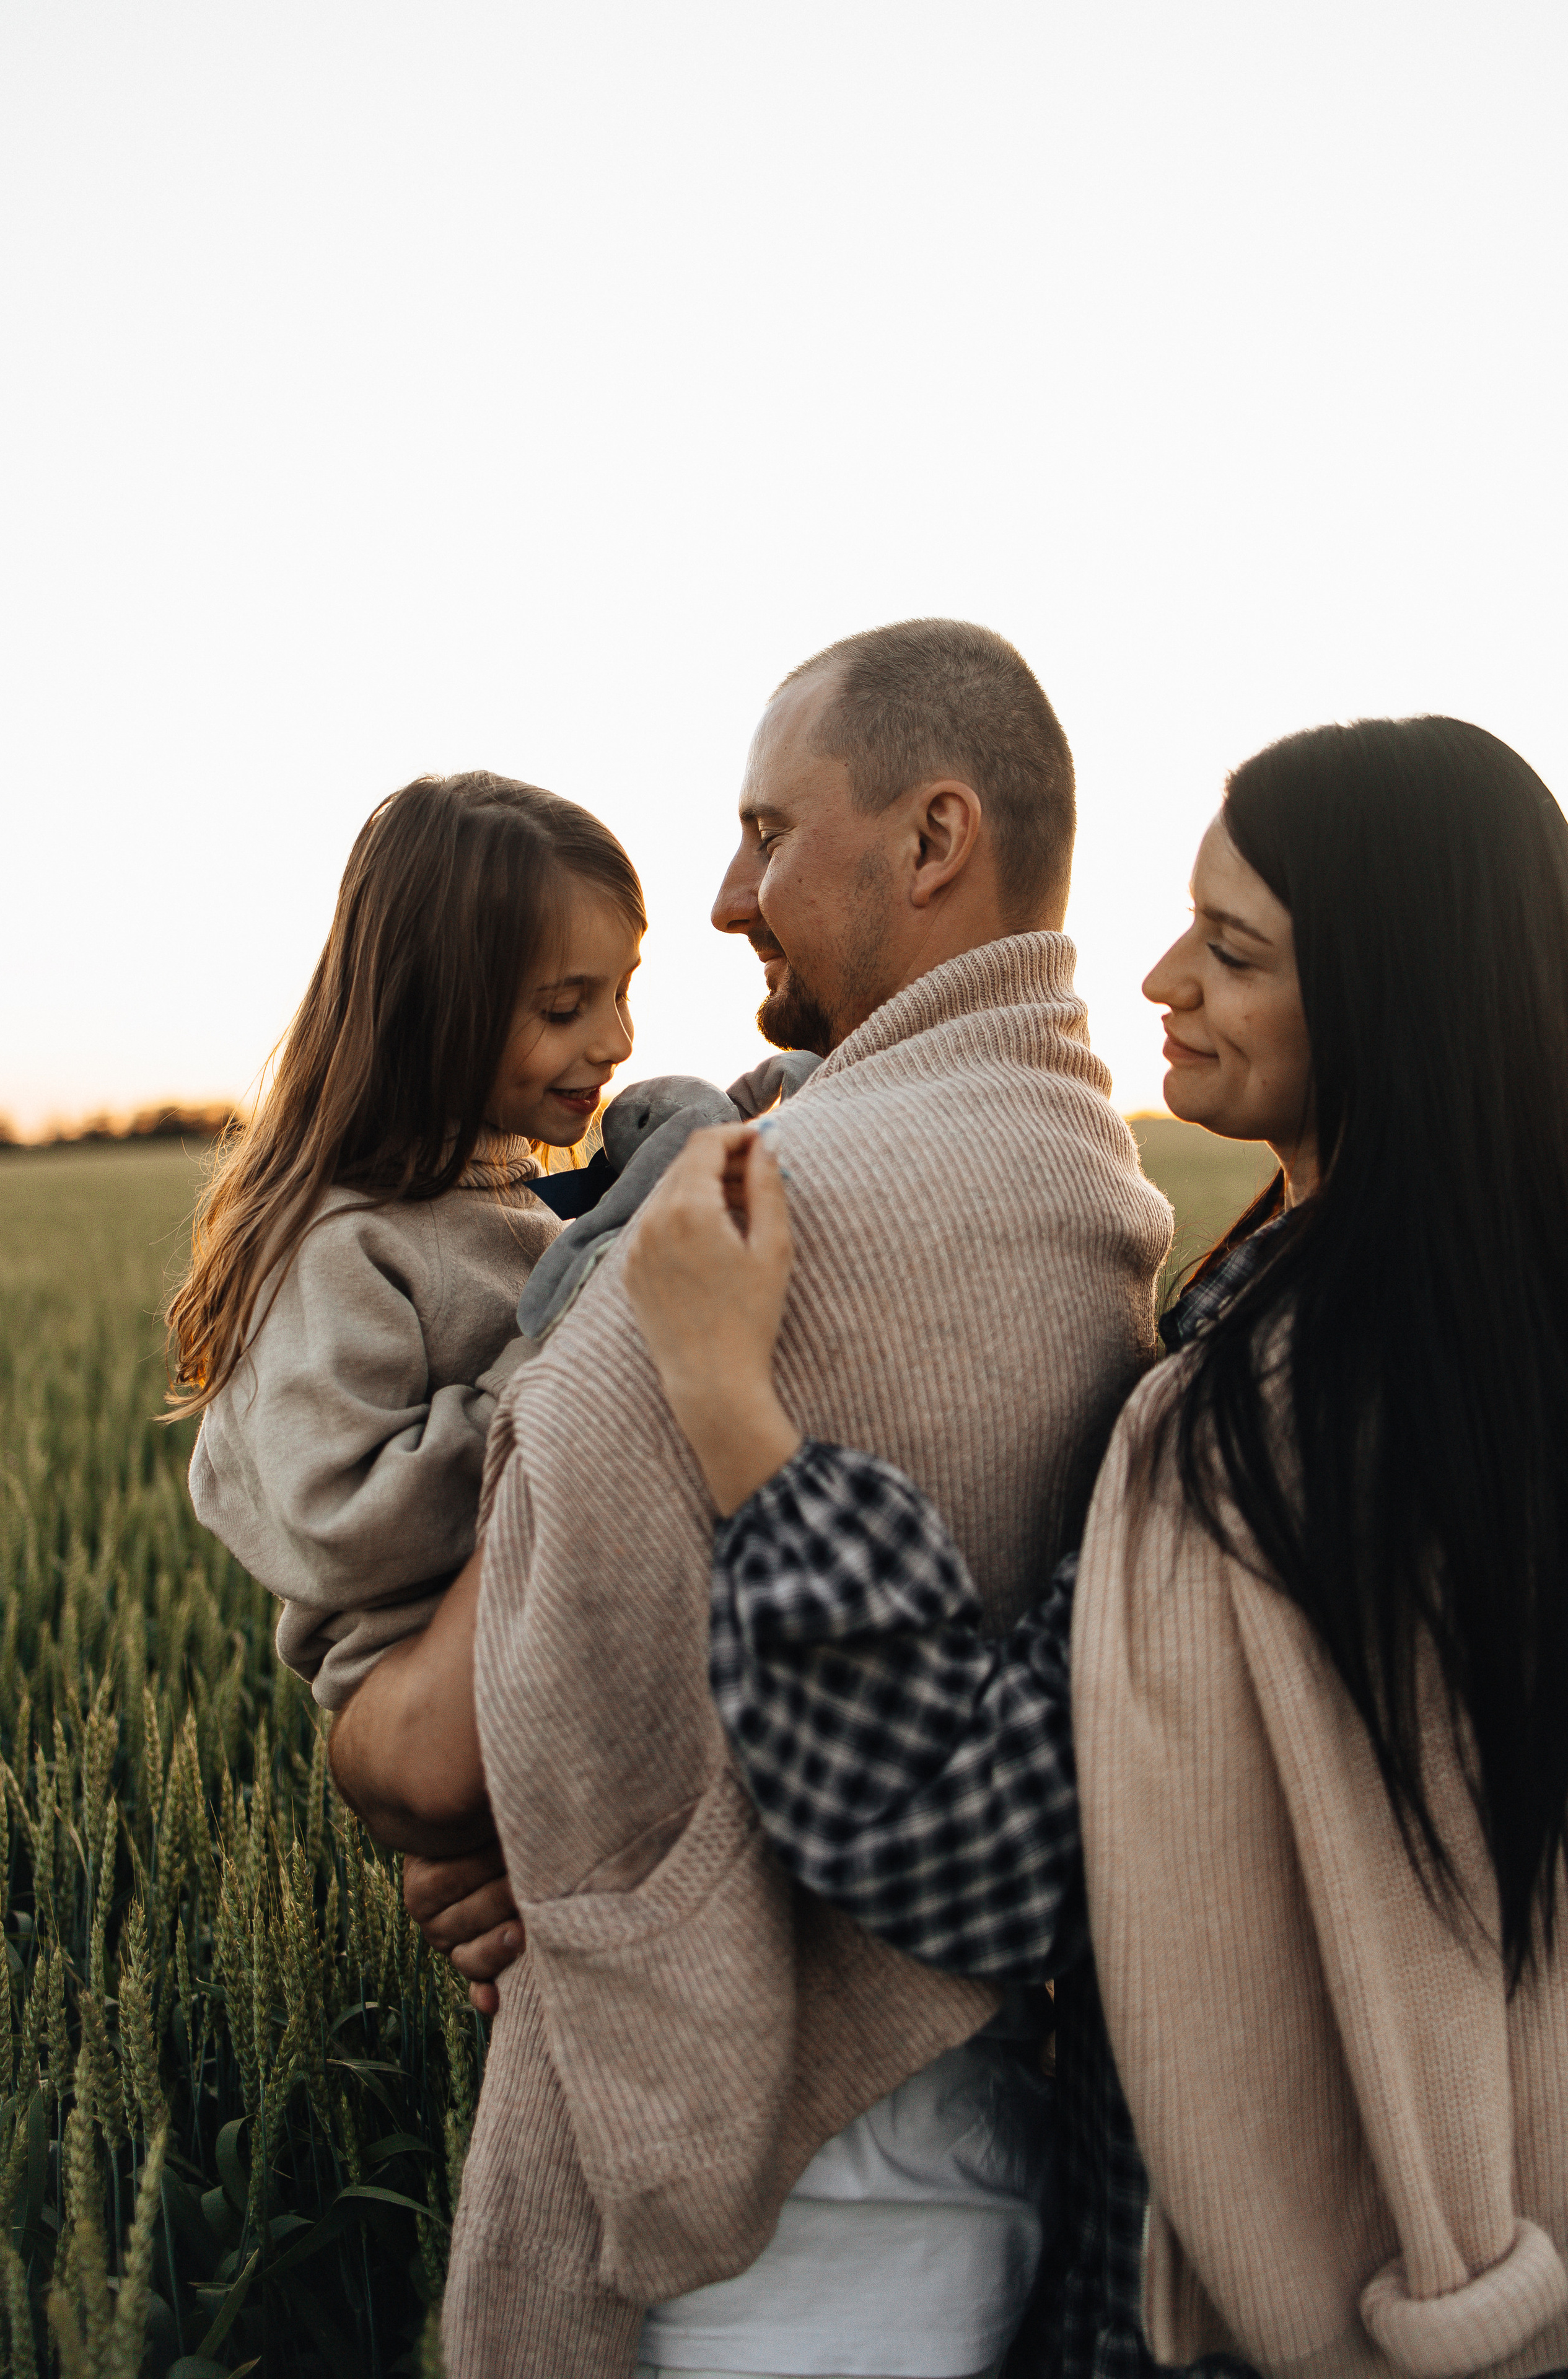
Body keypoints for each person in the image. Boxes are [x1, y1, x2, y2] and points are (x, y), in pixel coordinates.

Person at [624, 715, 1568, 2379]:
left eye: (1233, 948)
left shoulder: (1280, 1422)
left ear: (1394, 1006)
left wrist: (730, 1415)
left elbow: (981, 1851)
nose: (1156, 977)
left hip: (1240, 2313)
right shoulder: (1482, 1354)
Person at [327, 619, 1174, 2378]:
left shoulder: (763, 1223)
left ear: (935, 840)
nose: (725, 895)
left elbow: (423, 1753)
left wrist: (452, 1821)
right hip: (974, 2171)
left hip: (746, 2247)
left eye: (770, 830)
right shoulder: (1086, 1175)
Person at [170, 770, 640, 1709]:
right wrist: (569, 1353)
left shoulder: (520, 1194)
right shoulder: (338, 1245)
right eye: (564, 1008)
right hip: (436, 1690)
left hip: (545, 1640)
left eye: (624, 992)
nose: (618, 1040)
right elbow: (341, 1519)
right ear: (435, 1008)